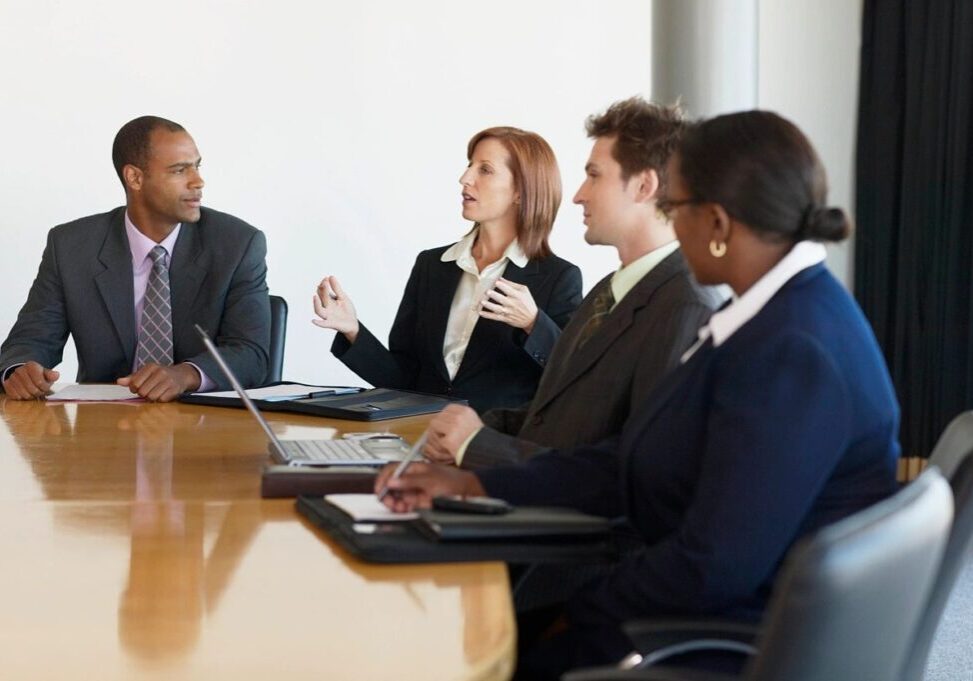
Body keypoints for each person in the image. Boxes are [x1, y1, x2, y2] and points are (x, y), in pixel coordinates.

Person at [376, 110, 902, 679]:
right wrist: (477, 479)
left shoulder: (794, 350)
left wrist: (576, 613)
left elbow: (713, 564)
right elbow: (636, 460)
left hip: (721, 641)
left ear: (718, 223)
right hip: (696, 613)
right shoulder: (768, 320)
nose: (670, 223)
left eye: (677, 208)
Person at [421, 97, 720, 469]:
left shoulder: (686, 307)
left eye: (594, 175)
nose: (579, 194)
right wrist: (468, 432)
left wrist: (476, 447)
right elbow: (557, 414)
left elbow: (638, 470)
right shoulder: (607, 291)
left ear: (644, 186)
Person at [0, 116, 271, 402]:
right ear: (135, 178)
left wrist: (185, 374)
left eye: (197, 166)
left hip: (207, 424)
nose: (198, 181)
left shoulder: (237, 244)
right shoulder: (72, 246)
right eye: (180, 170)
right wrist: (19, 371)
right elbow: (30, 339)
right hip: (104, 428)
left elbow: (252, 354)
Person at [312, 127, 582, 413]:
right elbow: (402, 379)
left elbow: (575, 377)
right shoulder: (431, 266)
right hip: (419, 435)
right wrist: (353, 330)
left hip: (493, 448)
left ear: (520, 191)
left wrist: (533, 323)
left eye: (485, 170)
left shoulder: (558, 278)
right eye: (470, 165)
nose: (465, 178)